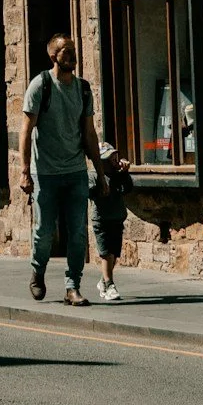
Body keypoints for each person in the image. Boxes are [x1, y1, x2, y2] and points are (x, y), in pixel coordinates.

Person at [19, 34, 102, 305]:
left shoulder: (83, 89)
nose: (72, 56)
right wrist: (24, 170)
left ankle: (72, 287)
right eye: (66, 51)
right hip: (45, 172)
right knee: (43, 232)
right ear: (53, 55)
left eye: (74, 51)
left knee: (78, 231)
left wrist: (100, 173)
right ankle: (38, 271)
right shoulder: (40, 85)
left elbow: (89, 133)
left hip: (76, 171)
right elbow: (26, 130)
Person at [90, 130, 132, 304]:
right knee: (106, 253)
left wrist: (124, 173)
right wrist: (103, 182)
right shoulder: (94, 176)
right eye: (109, 159)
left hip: (117, 217)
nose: (114, 161)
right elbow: (92, 192)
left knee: (114, 254)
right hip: (102, 219)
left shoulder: (118, 175)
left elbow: (127, 189)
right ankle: (109, 284)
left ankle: (103, 281)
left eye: (115, 158)